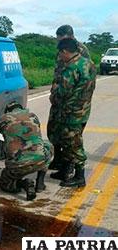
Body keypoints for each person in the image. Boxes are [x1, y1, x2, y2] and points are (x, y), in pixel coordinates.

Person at [48, 38, 96, 187]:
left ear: (65, 51)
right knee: (67, 141)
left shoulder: (71, 68)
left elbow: (63, 91)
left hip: (71, 112)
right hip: (83, 109)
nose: (60, 57)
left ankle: (80, 176)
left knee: (73, 144)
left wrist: (54, 93)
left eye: (60, 54)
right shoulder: (89, 63)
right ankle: (64, 170)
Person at [0, 102, 53, 201]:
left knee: (4, 184)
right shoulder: (33, 116)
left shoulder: (3, 119)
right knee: (48, 145)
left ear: (8, 111)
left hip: (17, 165)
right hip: (39, 160)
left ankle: (23, 183)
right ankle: (40, 183)